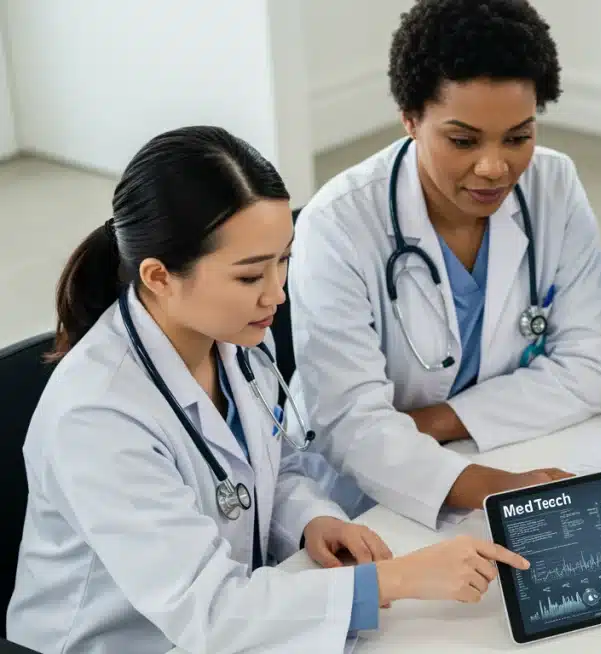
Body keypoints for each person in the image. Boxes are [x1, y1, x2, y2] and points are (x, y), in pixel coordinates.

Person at [6, 126, 533, 653]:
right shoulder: (97, 417)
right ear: (159, 277)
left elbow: (276, 464)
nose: (277, 294)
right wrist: (402, 579)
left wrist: (312, 519)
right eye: (250, 276)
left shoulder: (234, 339)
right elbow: (211, 613)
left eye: (284, 260)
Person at [285, 0, 601, 528]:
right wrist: (499, 489)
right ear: (410, 120)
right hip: (367, 496)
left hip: (498, 448)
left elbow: (591, 369)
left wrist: (431, 422)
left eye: (518, 137)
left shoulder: (553, 186)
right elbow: (351, 428)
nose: (494, 168)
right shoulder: (339, 224)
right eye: (462, 141)